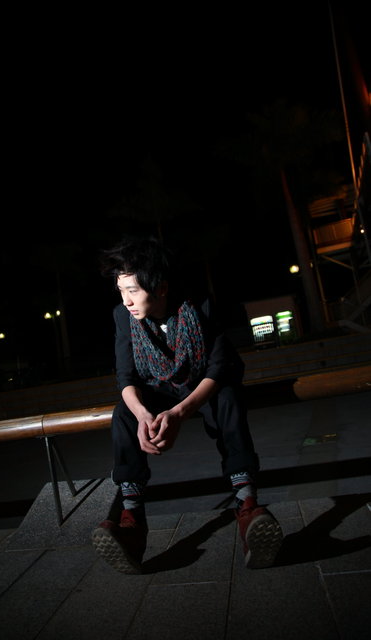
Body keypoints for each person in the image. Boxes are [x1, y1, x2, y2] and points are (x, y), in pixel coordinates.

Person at [91, 235, 283, 574]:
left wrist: (180, 412)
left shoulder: (200, 306)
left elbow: (219, 368)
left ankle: (247, 505)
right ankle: (131, 519)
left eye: (133, 290)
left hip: (200, 384)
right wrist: (143, 415)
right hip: (156, 388)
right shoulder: (123, 316)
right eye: (121, 291)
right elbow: (126, 378)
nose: (126, 300)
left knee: (227, 398)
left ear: (161, 288)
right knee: (123, 414)